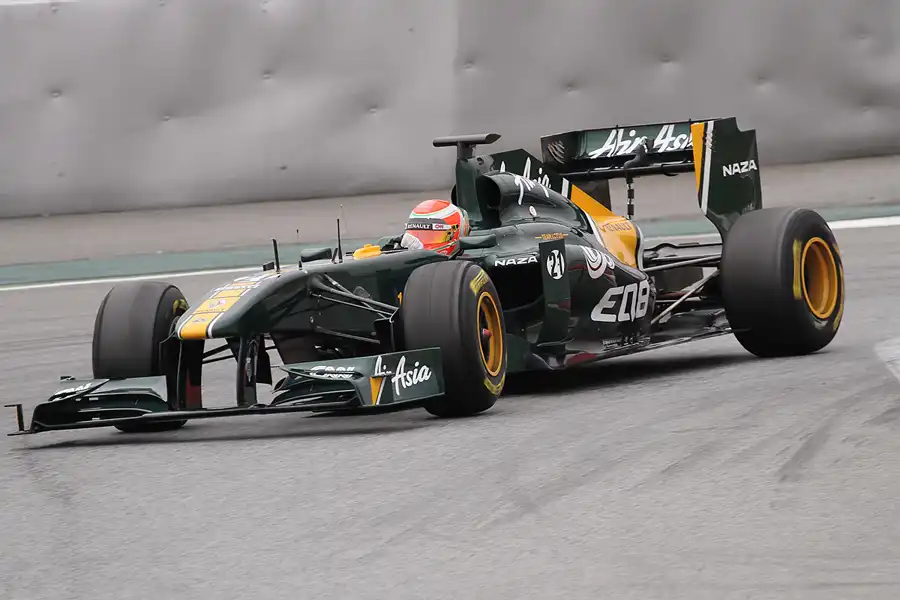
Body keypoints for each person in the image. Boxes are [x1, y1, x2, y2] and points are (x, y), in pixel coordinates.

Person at [395, 199, 471, 256]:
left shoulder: (468, 270)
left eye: (432, 236)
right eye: (417, 235)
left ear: (456, 233)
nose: (420, 245)